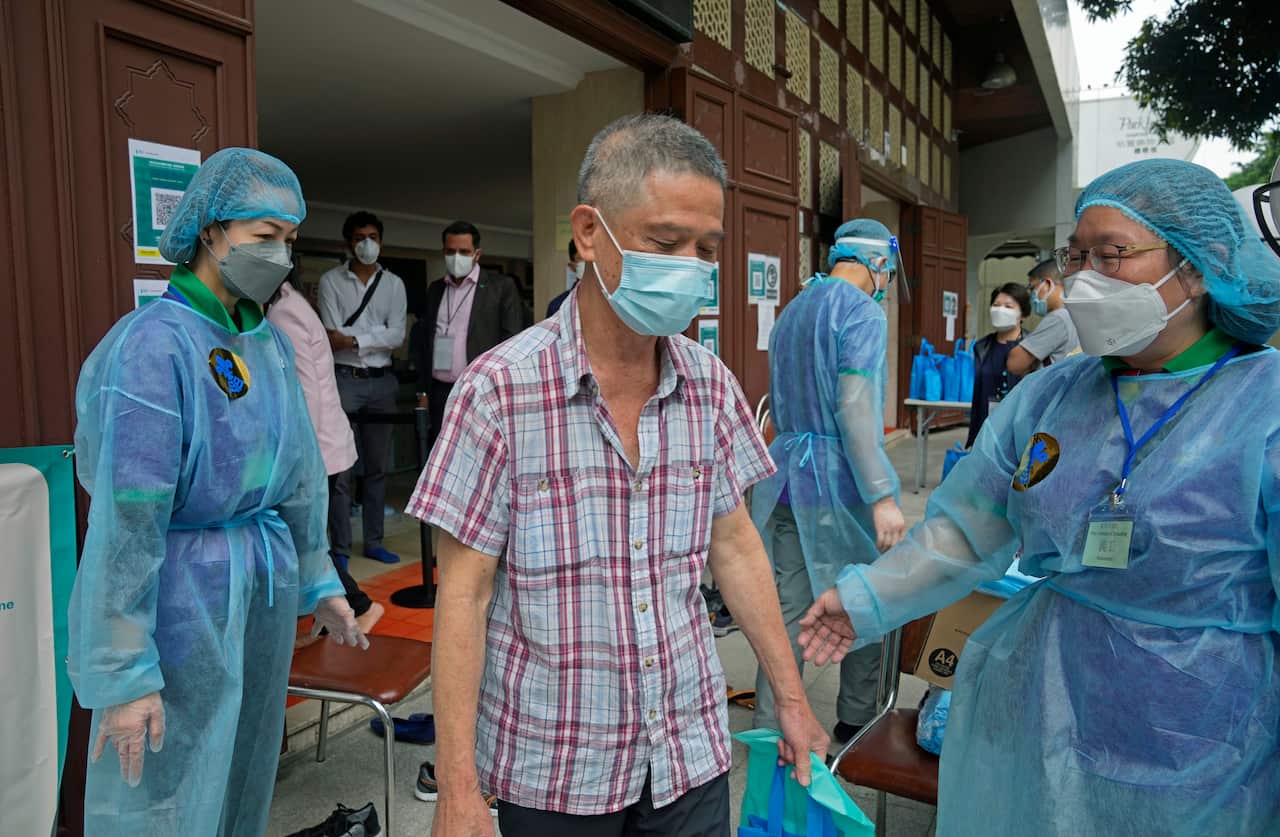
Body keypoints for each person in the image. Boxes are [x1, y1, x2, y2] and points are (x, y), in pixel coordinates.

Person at [799, 158, 1280, 836]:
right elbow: (967, 529)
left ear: (1200, 267)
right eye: (1076, 256)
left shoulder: (1265, 405)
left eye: (1112, 255)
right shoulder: (1056, 394)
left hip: (1202, 751)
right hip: (1048, 717)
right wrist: (868, 596)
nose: (1086, 281)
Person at [410, 113, 828, 837]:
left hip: (686, 752)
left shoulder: (710, 384)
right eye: (665, 242)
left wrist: (790, 697)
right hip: (554, 765)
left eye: (706, 249)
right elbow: (466, 595)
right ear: (588, 232)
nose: (691, 267)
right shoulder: (499, 391)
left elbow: (735, 546)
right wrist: (457, 786)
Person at [68, 148, 367, 836]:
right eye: (264, 237)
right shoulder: (153, 346)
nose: (281, 256)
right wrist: (125, 673)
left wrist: (319, 578)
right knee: (166, 795)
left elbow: (296, 475)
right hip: (177, 596)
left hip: (257, 590)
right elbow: (127, 523)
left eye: (290, 241)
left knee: (242, 775)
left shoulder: (265, 344)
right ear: (209, 230)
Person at [748, 220, 908, 746]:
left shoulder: (795, 309)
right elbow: (855, 407)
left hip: (786, 478)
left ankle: (773, 726)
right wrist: (882, 497)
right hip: (840, 483)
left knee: (790, 607)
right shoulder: (862, 312)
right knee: (863, 597)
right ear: (879, 263)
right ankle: (858, 717)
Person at [267, 272, 384, 636]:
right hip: (326, 446)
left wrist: (303, 459)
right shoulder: (295, 305)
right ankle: (337, 613)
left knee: (306, 543)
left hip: (317, 451)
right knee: (311, 541)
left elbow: (307, 392)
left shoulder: (284, 312)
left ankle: (359, 606)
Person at [317, 211, 407, 565]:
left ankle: (373, 541)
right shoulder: (330, 281)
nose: (366, 244)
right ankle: (339, 548)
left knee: (377, 467)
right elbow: (329, 333)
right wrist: (373, 338)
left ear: (381, 241)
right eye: (358, 237)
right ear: (348, 242)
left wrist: (353, 340)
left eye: (372, 236)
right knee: (340, 468)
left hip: (381, 383)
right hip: (345, 382)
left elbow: (397, 335)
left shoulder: (395, 284)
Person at [410, 220, 523, 452]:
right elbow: (423, 345)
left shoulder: (500, 287)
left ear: (477, 254)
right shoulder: (435, 289)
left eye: (464, 252)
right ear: (443, 252)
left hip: (480, 391)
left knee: (479, 456)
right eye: (451, 252)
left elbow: (512, 342)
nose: (456, 257)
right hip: (440, 391)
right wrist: (422, 392)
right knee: (441, 456)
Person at [964, 282, 1032, 448]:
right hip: (985, 428)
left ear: (1022, 314)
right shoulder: (982, 346)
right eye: (996, 305)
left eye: (1008, 306)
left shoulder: (1032, 347)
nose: (1000, 310)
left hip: (1018, 431)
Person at [1005, 258, 1080, 376]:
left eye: (1032, 287)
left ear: (1048, 284)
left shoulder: (1058, 318)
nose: (1032, 295)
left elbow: (1015, 363)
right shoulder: (1077, 313)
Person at [547, 239, 584, 318]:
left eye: (592, 259)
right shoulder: (557, 306)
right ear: (572, 266)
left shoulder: (611, 302)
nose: (589, 266)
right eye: (582, 259)